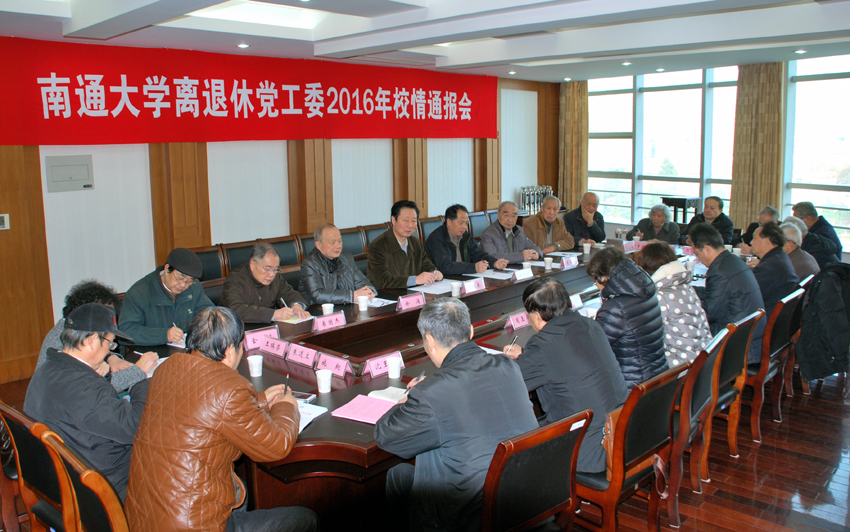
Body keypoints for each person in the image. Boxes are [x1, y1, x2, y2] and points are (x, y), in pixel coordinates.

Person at [125, 307, 317, 532]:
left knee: (241, 489)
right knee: (306, 519)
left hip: (144, 515)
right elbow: (276, 445)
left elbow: (202, 403)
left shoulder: (167, 368)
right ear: (229, 351)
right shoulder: (230, 388)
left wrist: (261, 400)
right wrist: (287, 407)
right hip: (193, 524)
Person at [375, 298, 537, 532]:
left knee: (398, 475)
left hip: (473, 514)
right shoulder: (508, 366)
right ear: (471, 331)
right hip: (526, 493)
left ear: (430, 341)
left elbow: (386, 436)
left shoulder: (431, 392)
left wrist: (410, 398)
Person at [502, 277, 627, 473]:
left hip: (588, 450)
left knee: (508, 444)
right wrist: (526, 355)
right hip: (622, 433)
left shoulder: (543, 345)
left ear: (536, 316)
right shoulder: (590, 325)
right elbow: (567, 359)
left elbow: (508, 384)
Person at [24, 303, 148, 501]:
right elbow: (134, 426)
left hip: (57, 479)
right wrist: (140, 379)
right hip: (101, 490)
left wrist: (102, 377)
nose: (109, 350)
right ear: (91, 341)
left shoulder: (47, 370)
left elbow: (85, 410)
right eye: (110, 344)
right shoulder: (85, 388)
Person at [38, 279, 157, 392]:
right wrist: (138, 370)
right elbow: (96, 389)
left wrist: (110, 357)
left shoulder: (74, 329)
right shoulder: (62, 342)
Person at [585, 248, 668, 389]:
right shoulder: (646, 291)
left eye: (595, 281)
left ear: (604, 278)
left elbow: (593, 349)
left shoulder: (615, 309)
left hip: (632, 386)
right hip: (658, 377)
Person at [689, 223, 765, 363]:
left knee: (683, 331)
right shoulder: (733, 260)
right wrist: (689, 290)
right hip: (751, 338)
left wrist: (684, 304)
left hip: (739, 348)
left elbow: (708, 314)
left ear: (706, 249)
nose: (698, 259)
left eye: (697, 254)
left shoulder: (719, 271)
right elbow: (716, 294)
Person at [634, 243, 712, 368]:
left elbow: (642, 335)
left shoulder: (659, 296)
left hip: (683, 366)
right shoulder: (686, 287)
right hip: (704, 358)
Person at [120, 247, 214, 346]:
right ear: (166, 268)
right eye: (179, 278)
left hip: (183, 348)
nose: (182, 285)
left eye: (189, 281)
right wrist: (164, 335)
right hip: (151, 351)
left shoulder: (194, 287)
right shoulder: (139, 293)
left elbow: (207, 312)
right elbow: (126, 332)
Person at [221, 243, 310, 323]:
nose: (271, 274)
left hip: (267, 328)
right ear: (252, 264)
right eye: (267, 269)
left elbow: (289, 293)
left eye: (276, 269)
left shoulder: (275, 277)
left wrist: (296, 306)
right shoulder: (235, 279)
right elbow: (235, 309)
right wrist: (273, 314)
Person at [367, 200, 443, 290]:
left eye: (413, 221)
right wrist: (415, 280)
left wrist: (434, 273)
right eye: (406, 220)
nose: (410, 225)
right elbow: (382, 280)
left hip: (413, 293)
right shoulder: (378, 246)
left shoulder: (415, 243)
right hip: (387, 295)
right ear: (393, 220)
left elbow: (426, 265)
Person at [299, 223, 376, 305]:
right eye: (333, 242)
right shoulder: (309, 264)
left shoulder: (346, 258)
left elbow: (362, 282)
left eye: (339, 241)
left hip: (346, 307)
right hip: (320, 309)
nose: (338, 246)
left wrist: (369, 291)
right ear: (318, 245)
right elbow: (317, 294)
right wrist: (351, 296)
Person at [424, 204, 508, 275]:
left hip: (464, 277)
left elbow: (477, 254)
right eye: (461, 223)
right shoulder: (436, 239)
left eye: (466, 223)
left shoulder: (465, 236)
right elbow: (445, 266)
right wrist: (473, 267)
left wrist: (494, 262)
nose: (464, 227)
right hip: (445, 280)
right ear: (449, 222)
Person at [750, 223, 800, 320]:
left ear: (767, 242)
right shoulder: (780, 256)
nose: (751, 242)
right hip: (780, 317)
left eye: (754, 238)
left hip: (765, 318)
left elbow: (749, 296)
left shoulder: (768, 268)